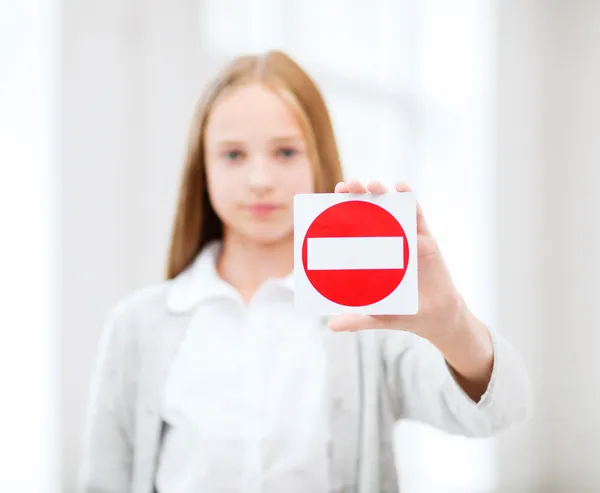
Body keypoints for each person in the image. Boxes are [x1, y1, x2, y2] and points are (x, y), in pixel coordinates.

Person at [78, 50, 532, 493]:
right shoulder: (137, 325)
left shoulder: (368, 318)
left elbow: (501, 412)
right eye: (233, 155)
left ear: (319, 158)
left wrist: (452, 325)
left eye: (286, 152)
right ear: (203, 169)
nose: (260, 179)